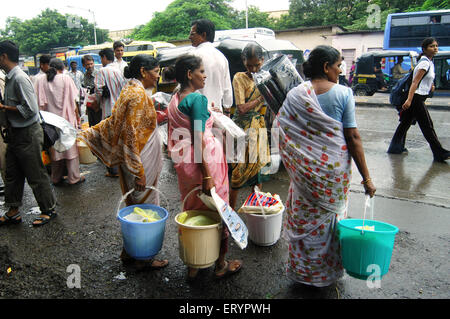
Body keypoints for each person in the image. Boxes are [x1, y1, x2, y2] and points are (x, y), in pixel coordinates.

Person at [274, 45, 376, 287]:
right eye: (338, 65)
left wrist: (299, 163)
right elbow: (353, 138)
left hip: (304, 175)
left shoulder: (296, 94)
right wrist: (367, 178)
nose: (340, 71)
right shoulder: (343, 93)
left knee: (306, 216)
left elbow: (281, 131)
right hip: (333, 176)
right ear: (325, 66)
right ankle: (326, 275)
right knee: (331, 221)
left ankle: (303, 273)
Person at [79, 54, 167, 270]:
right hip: (140, 159)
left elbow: (123, 122)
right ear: (144, 72)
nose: (157, 77)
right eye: (156, 72)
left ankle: (129, 251)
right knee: (145, 206)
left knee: (134, 204)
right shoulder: (137, 94)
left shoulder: (131, 89)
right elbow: (129, 135)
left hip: (138, 157)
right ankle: (143, 257)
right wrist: (139, 171)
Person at [167, 54, 242, 280]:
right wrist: (207, 175)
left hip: (185, 164)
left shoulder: (176, 97)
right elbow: (199, 138)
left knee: (193, 207)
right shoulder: (198, 100)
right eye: (201, 71)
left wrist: (209, 113)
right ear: (190, 74)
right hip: (204, 162)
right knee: (217, 209)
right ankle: (220, 262)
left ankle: (194, 263)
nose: (205, 75)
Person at [0, 40, 57, 227]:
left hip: (28, 134)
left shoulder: (19, 78)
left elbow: (31, 109)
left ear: (4, 56)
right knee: (12, 174)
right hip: (16, 134)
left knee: (36, 174)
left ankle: (48, 210)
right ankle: (13, 211)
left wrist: (4, 107)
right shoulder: (9, 77)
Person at [387, 38, 450, 162]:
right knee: (427, 125)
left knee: (405, 123)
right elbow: (414, 82)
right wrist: (409, 100)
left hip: (418, 97)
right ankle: (439, 153)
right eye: (432, 46)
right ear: (425, 49)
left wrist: (431, 85)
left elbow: (423, 80)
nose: (435, 48)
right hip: (416, 98)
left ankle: (395, 147)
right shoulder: (424, 63)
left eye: (436, 46)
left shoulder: (429, 62)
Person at [229, 43, 270, 210]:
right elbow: (242, 108)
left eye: (257, 65)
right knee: (239, 171)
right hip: (242, 130)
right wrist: (262, 97)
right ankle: (230, 212)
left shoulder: (267, 77)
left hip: (259, 128)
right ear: (243, 61)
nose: (253, 69)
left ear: (263, 61)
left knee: (258, 172)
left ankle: (256, 209)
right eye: (249, 65)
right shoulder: (239, 78)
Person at [34, 58, 84, 186]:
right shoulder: (66, 79)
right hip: (66, 120)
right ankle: (74, 177)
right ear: (62, 68)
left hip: (50, 122)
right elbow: (75, 100)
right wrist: (78, 118)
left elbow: (39, 103)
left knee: (55, 150)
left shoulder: (40, 80)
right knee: (71, 150)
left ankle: (56, 178)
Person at [189, 19, 233, 115]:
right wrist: (227, 112)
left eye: (192, 34)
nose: (189, 37)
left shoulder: (193, 55)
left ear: (203, 35)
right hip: (217, 113)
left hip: (198, 114)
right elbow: (227, 88)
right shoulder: (222, 57)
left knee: (198, 130)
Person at [96, 48, 126, 177]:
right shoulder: (118, 71)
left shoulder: (102, 71)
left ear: (104, 57)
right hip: (119, 108)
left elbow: (98, 90)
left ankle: (113, 170)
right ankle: (122, 166)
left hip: (108, 109)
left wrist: (97, 103)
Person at [81, 55, 102, 127]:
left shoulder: (98, 73)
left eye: (91, 64)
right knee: (92, 125)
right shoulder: (85, 75)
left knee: (99, 125)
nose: (90, 66)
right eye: (87, 64)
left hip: (98, 105)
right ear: (83, 65)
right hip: (90, 105)